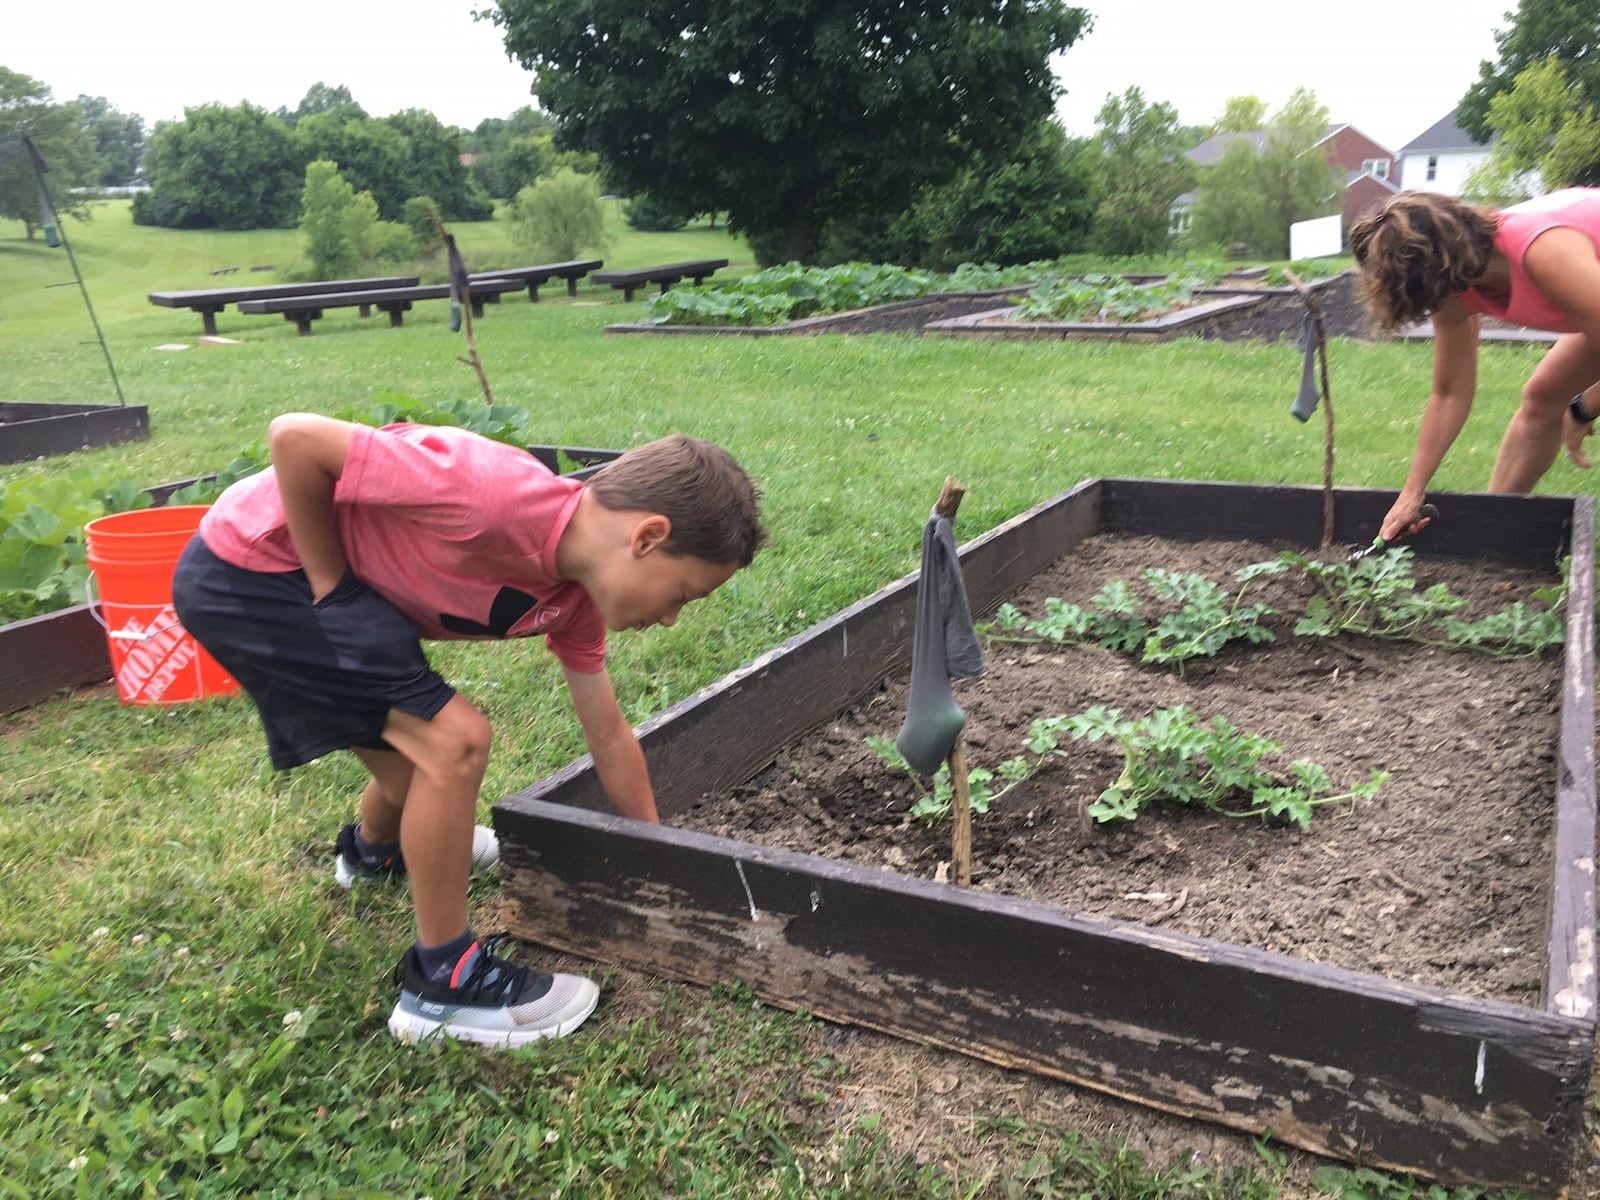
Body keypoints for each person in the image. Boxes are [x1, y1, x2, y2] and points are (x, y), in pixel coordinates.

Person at [171, 416, 765, 1048]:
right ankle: (443, 984)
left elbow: (610, 736)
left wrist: (654, 854)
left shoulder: (575, 599)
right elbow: (296, 439)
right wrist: (332, 590)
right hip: (255, 571)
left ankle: (375, 853)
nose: (672, 619)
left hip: (315, 592)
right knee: (454, 741)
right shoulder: (491, 495)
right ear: (647, 537)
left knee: (421, 762)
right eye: (682, 594)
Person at [1348, 187, 1600, 544]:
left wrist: (1583, 409)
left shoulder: (1544, 253)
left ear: (1433, 271)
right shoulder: (1456, 283)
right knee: (1543, 399)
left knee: (1557, 401)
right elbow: (1450, 393)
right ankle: (1494, 529)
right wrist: (1412, 492)